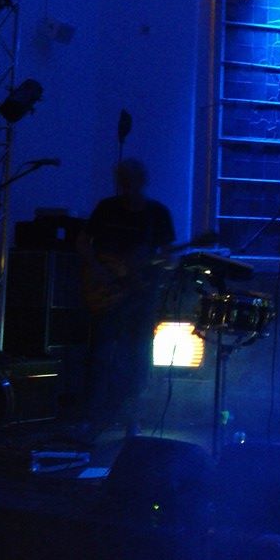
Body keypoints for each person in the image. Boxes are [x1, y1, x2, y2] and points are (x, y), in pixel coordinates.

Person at [77, 158, 175, 439]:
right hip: (106, 294)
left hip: (141, 296)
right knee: (100, 356)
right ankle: (92, 418)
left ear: (142, 181)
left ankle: (132, 419)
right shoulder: (106, 209)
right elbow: (83, 242)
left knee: (137, 358)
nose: (125, 186)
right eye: (122, 180)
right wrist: (98, 270)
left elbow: (167, 257)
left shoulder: (157, 214)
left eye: (130, 180)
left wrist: (156, 267)